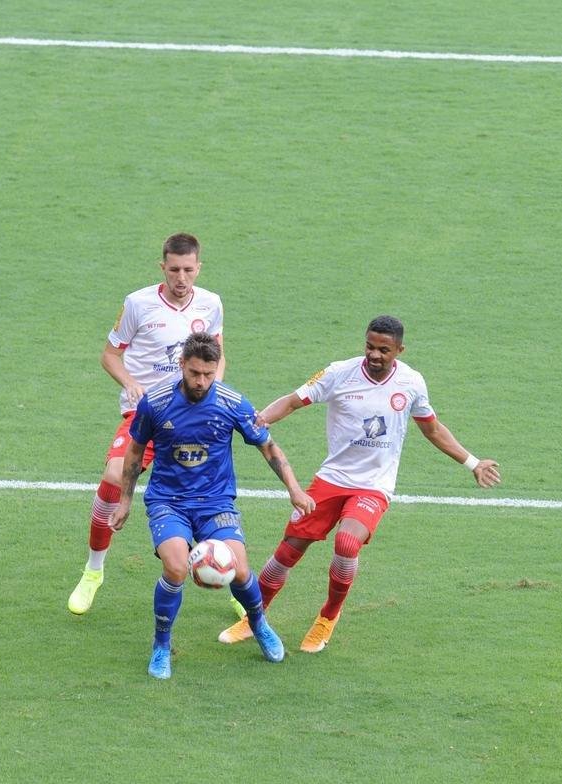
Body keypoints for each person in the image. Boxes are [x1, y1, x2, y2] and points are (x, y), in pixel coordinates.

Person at [218, 315, 501, 654]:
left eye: (384, 349)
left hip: (373, 486)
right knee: (288, 551)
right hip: (332, 479)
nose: (375, 354)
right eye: (370, 346)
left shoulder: (411, 383)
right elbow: (293, 400)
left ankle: (327, 617)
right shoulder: (339, 373)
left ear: (399, 350)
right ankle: (254, 617)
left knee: (348, 542)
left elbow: (433, 429)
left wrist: (472, 462)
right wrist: (260, 418)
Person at [110, 332, 316, 679]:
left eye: (208, 374)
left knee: (239, 569)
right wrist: (124, 501)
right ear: (182, 366)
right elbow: (134, 452)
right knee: (175, 569)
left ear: (216, 367)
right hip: (168, 501)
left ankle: (259, 623)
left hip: (215, 502)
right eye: (194, 373)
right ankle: (162, 645)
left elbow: (268, 447)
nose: (201, 381)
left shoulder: (232, 402)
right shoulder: (156, 402)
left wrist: (295, 489)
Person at [68, 232, 231, 615]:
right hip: (146, 413)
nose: (181, 278)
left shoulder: (211, 304)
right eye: (174, 269)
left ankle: (235, 582)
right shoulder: (138, 304)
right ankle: (93, 571)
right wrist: (130, 383)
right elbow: (110, 355)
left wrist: (214, 390)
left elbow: (218, 353)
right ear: (163, 267)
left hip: (193, 414)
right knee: (112, 476)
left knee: (209, 498)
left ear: (198, 268)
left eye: (188, 270)